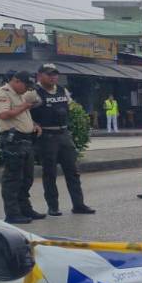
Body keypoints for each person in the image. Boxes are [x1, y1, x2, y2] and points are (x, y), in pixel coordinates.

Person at [31, 63, 95, 216]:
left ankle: (78, 205)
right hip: (46, 137)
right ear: (40, 75)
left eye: (55, 74)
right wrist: (33, 124)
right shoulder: (34, 92)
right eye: (49, 74)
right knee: (50, 173)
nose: (53, 77)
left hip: (64, 135)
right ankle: (53, 207)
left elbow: (70, 108)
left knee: (72, 172)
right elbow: (24, 112)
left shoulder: (62, 90)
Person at [0, 71, 44, 224]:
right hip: (13, 141)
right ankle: (12, 213)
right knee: (13, 179)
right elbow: (4, 115)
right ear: (15, 81)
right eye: (26, 85)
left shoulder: (20, 94)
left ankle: (25, 209)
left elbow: (21, 116)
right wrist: (25, 106)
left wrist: (33, 125)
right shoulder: (2, 93)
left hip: (25, 141)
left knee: (27, 178)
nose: (27, 89)